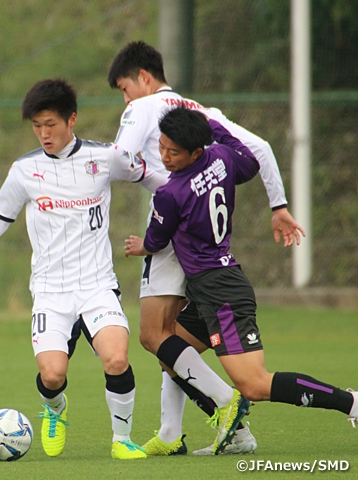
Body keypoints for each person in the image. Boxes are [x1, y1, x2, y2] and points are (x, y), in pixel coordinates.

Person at [0, 79, 167, 460]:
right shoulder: (25, 170)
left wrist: (185, 201)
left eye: (51, 124)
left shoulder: (106, 157)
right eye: (37, 126)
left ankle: (121, 439)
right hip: (50, 290)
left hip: (97, 285)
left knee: (116, 358)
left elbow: (155, 180)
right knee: (52, 375)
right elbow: (0, 218)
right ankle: (56, 410)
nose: (44, 133)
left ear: (72, 119)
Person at [107, 40, 306, 456]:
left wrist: (149, 177)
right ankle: (172, 432)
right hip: (204, 242)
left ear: (143, 78)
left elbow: (120, 158)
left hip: (169, 233)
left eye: (124, 88)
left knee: (154, 336)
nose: (125, 98)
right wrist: (279, 206)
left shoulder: (143, 109)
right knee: (175, 342)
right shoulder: (200, 112)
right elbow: (262, 150)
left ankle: (225, 402)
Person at [124, 106, 358, 454]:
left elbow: (156, 241)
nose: (165, 156)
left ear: (195, 151)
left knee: (254, 384)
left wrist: (141, 245)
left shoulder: (170, 193)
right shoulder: (222, 158)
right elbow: (250, 160)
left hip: (221, 291)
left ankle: (351, 402)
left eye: (174, 152)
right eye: (161, 147)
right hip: (213, 287)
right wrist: (214, 123)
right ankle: (234, 435)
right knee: (171, 356)